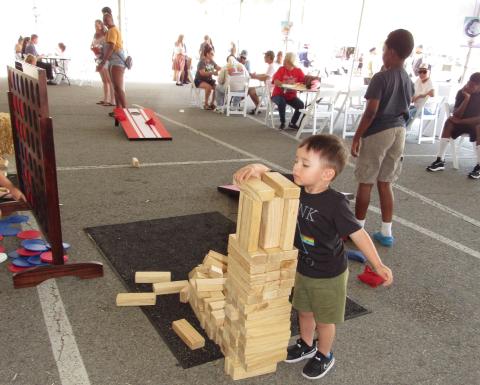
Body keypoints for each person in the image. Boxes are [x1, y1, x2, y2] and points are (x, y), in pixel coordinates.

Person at [233, 134, 393, 380]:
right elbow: (272, 175)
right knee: (304, 310)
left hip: (329, 275)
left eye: (305, 164)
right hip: (303, 268)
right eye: (296, 160)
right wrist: (257, 167)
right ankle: (307, 344)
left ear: (326, 174)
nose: (296, 167)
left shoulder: (335, 204)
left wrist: (377, 263)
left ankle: (325, 354)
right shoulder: (295, 187)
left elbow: (358, 234)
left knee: (325, 320)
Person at [351, 29, 415, 247]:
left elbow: (371, 112)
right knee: (386, 182)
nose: (383, 53)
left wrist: (357, 136)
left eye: (384, 49)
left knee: (366, 181)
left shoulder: (381, 78)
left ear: (392, 51)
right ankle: (386, 232)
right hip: (400, 131)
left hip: (380, 131)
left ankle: (357, 230)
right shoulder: (407, 78)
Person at [426, 72, 480, 179]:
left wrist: (460, 122)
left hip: (475, 125)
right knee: (449, 122)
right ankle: (440, 160)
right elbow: (456, 114)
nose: (469, 86)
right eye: (469, 83)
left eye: (473, 85)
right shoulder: (462, 92)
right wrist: (466, 99)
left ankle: (479, 166)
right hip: (462, 123)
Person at [97, 12, 127, 113]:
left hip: (117, 61)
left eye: (107, 19)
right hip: (113, 61)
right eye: (104, 20)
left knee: (118, 87)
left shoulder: (113, 30)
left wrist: (103, 62)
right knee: (115, 87)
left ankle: (125, 110)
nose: (105, 22)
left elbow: (111, 47)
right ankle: (118, 110)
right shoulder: (110, 30)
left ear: (111, 19)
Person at [271, 52, 305, 130]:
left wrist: (297, 84)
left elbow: (303, 82)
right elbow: (276, 81)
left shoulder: (298, 71)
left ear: (292, 63)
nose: (285, 64)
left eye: (287, 62)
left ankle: (292, 123)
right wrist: (284, 83)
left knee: (300, 105)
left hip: (290, 96)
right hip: (278, 94)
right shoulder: (281, 69)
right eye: (285, 61)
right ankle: (283, 122)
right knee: (282, 101)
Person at [91, 19, 115, 106]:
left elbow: (107, 46)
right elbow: (93, 44)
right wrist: (93, 48)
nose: (96, 27)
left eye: (97, 25)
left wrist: (101, 51)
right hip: (98, 58)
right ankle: (106, 99)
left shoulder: (106, 34)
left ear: (101, 25)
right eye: (95, 25)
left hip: (105, 58)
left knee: (109, 80)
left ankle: (112, 100)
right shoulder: (95, 34)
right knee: (104, 80)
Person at [248, 50, 276, 114]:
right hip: (268, 87)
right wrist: (255, 75)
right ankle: (258, 107)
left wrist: (255, 77)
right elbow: (265, 75)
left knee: (251, 92)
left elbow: (265, 78)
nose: (264, 58)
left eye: (265, 56)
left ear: (269, 57)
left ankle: (258, 107)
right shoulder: (271, 65)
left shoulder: (271, 66)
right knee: (249, 89)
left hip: (269, 89)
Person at [194, 45, 220, 110]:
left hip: (208, 80)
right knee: (209, 87)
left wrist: (226, 68)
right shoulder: (201, 62)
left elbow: (218, 68)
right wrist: (213, 72)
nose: (213, 55)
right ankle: (206, 104)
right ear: (207, 54)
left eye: (213, 54)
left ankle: (212, 103)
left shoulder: (211, 61)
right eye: (212, 54)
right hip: (199, 80)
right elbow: (202, 73)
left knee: (217, 88)